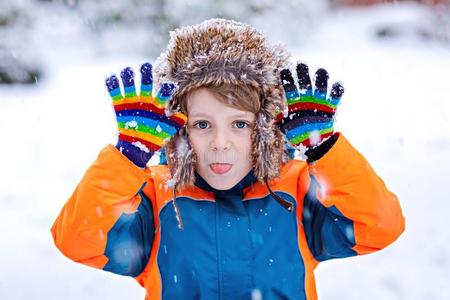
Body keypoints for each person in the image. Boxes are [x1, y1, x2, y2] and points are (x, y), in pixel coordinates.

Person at [51, 18, 405, 300]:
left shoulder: (295, 191)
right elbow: (78, 240)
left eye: (240, 124)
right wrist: (126, 158)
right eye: (202, 124)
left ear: (266, 128)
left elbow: (379, 227)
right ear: (178, 128)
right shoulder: (159, 195)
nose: (221, 143)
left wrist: (326, 151)